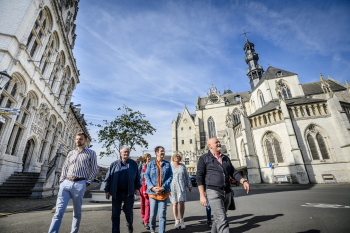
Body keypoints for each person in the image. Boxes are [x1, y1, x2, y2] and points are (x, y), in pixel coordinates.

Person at [196, 137, 250, 233]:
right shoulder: (204, 158)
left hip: (227, 191)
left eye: (219, 142)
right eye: (216, 142)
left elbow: (233, 172)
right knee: (222, 218)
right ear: (210, 146)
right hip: (212, 190)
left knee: (218, 218)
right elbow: (199, 177)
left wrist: (243, 181)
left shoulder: (225, 158)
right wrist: (201, 195)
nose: (219, 143)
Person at [48, 132, 98, 233]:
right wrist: (62, 181)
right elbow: (65, 167)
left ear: (85, 140)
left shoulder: (91, 153)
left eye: (80, 139)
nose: (78, 141)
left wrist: (87, 182)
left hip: (80, 184)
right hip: (66, 183)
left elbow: (94, 169)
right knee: (58, 212)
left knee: (77, 213)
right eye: (77, 139)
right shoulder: (71, 153)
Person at [104, 147, 141, 233]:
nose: (126, 153)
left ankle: (129, 224)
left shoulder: (133, 164)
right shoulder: (114, 164)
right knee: (115, 214)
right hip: (116, 193)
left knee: (128, 212)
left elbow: (137, 177)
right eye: (124, 152)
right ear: (120, 154)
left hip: (129, 193)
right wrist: (107, 190)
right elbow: (108, 178)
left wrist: (137, 188)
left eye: (128, 152)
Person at [145, 146, 173, 233]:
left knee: (162, 215)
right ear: (156, 153)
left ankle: (162, 231)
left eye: (163, 151)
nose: (163, 153)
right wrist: (152, 187)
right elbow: (146, 176)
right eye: (161, 151)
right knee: (153, 214)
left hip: (164, 193)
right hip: (153, 193)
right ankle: (152, 230)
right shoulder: (150, 164)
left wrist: (163, 187)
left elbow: (170, 176)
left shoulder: (167, 164)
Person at [169, 153, 192, 229]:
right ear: (173, 158)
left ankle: (182, 219)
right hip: (172, 187)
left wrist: (189, 185)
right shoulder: (170, 166)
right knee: (174, 204)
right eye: (175, 156)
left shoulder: (183, 166)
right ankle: (176, 220)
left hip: (182, 187)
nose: (177, 157)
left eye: (178, 156)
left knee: (181, 203)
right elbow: (167, 177)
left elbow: (186, 176)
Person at [138, 153, 151, 230]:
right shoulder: (141, 165)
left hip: (148, 187)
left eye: (149, 157)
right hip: (141, 186)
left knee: (147, 204)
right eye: (147, 157)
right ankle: (143, 217)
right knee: (142, 204)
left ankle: (146, 221)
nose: (149, 158)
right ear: (145, 158)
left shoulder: (152, 165)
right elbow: (137, 175)